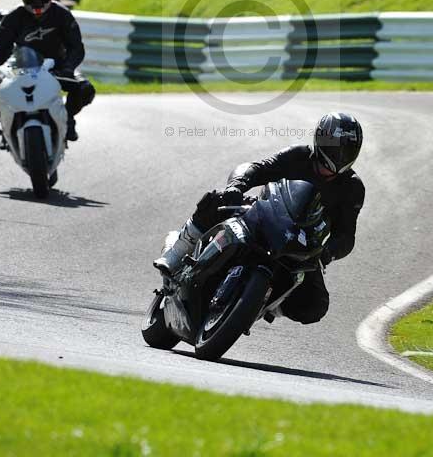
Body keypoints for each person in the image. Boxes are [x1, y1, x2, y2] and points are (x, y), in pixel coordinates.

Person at [155, 112, 365, 326]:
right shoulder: (298, 155)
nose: (339, 154)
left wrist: (328, 252)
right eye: (336, 146)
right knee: (217, 199)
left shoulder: (352, 188)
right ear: (321, 139)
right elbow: (258, 168)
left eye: (347, 149)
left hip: (301, 243)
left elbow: (346, 235)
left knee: (315, 305)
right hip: (266, 214)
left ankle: (270, 302)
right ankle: (177, 251)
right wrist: (236, 185)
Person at [0, 0, 95, 142]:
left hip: (58, 66)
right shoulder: (14, 17)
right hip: (20, 68)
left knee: (85, 89)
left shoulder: (62, 14)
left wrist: (67, 68)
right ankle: (7, 123)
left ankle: (67, 118)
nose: (37, 2)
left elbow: (76, 47)